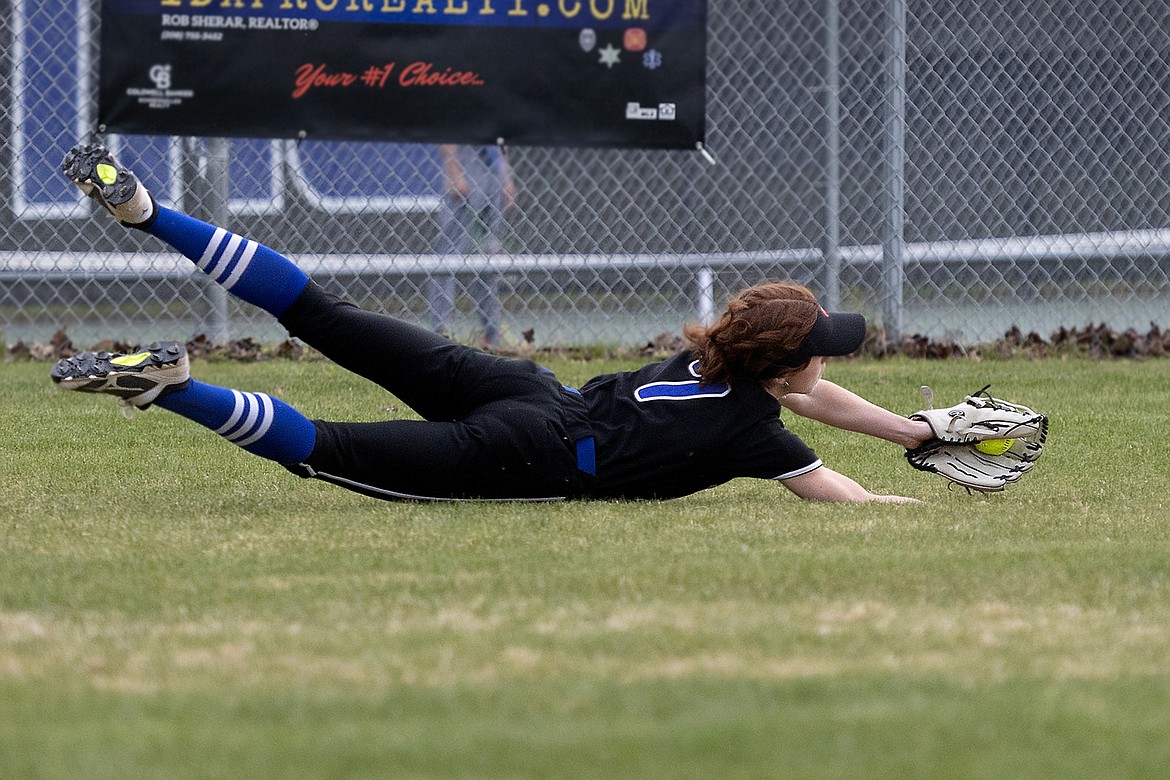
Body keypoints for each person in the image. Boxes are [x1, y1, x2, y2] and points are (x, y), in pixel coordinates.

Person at [53, 142, 935, 504]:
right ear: (780, 367)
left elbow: (817, 399)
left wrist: (916, 432)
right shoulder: (755, 431)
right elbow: (837, 492)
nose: (826, 364)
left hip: (521, 388)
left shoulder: (712, 360)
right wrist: (909, 503)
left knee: (322, 311)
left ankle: (148, 215)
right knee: (328, 446)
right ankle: (176, 388)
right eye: (818, 352)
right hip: (530, 454)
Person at [426, 144, 515, 348]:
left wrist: (506, 176)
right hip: (467, 172)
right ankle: (439, 331)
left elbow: (500, 141)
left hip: (493, 178)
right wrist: (454, 172)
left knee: (488, 256)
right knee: (447, 257)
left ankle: (492, 335)